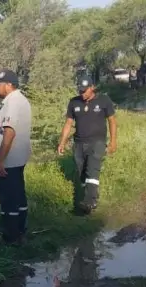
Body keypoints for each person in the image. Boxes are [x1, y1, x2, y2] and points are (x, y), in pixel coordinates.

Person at [57, 76, 117, 215]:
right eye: (80, 90)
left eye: (85, 90)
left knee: (92, 169)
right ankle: (91, 197)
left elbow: (112, 121)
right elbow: (68, 123)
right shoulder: (74, 102)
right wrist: (62, 142)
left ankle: (90, 202)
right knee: (82, 173)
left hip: (97, 142)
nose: (82, 93)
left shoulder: (104, 101)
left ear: (92, 87)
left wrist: (113, 142)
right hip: (79, 143)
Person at [0, 69, 32, 245]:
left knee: (9, 199)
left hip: (8, 162)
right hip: (16, 160)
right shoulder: (18, 101)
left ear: (8, 85)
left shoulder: (13, 103)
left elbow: (9, 132)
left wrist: (0, 161)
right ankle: (20, 230)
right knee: (18, 197)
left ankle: (11, 236)